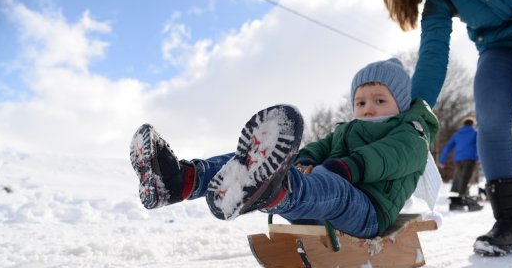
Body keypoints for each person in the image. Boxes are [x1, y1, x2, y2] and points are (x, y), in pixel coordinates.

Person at [130, 58, 439, 238]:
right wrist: (301, 160)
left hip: (367, 211)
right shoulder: (347, 130)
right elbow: (318, 149)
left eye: (379, 101)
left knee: (332, 186)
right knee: (251, 160)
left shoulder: (411, 134)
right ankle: (178, 181)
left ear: (400, 103)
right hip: (318, 201)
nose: (368, 109)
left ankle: (274, 189)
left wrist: (346, 167)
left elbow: (389, 158)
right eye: (360, 102)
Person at [379, 0, 512, 256]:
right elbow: (432, 58)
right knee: (490, 112)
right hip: (501, 44)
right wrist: (414, 119)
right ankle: (509, 225)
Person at [438, 116, 482, 211]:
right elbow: (479, 145)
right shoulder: (474, 133)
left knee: (462, 178)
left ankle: (464, 197)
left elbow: (448, 147)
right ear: (472, 124)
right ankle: (461, 200)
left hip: (458, 160)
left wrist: (442, 160)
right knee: (465, 179)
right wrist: (478, 157)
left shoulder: (457, 134)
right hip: (469, 159)